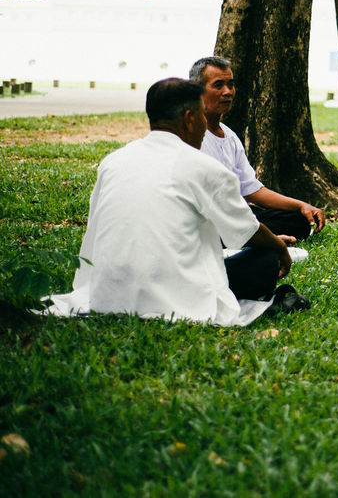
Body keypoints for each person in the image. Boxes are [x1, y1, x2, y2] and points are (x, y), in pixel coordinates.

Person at [43, 79, 303, 326]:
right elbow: (246, 231)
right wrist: (278, 247)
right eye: (202, 114)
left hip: (108, 288)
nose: (205, 123)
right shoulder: (204, 167)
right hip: (174, 291)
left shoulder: (112, 161)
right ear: (189, 119)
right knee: (265, 260)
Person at [189, 56, 326, 241]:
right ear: (197, 90)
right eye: (218, 85)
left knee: (298, 220)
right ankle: (259, 239)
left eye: (230, 85)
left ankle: (256, 237)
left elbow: (252, 190)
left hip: (237, 216)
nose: (227, 92)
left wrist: (301, 206)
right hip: (208, 219)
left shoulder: (229, 136)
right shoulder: (190, 135)